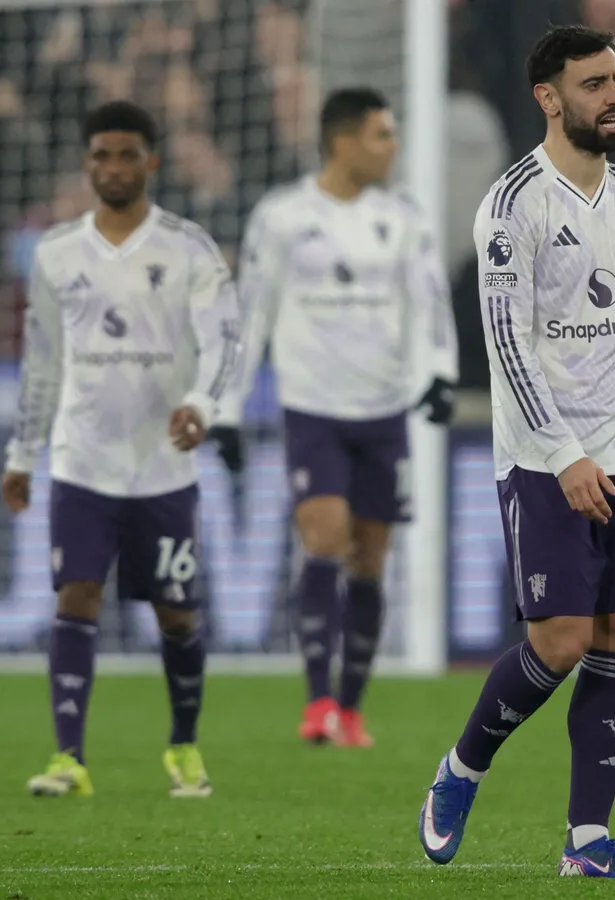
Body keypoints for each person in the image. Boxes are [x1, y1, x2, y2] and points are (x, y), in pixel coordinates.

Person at [416, 25, 615, 880]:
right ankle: (460, 772)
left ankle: (588, 843)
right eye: (594, 83)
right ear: (549, 97)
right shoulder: (511, 206)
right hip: (542, 457)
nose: (614, 97)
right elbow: (507, 344)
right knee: (560, 641)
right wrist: (565, 454)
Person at [1, 101, 241, 798]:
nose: (112, 167)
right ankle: (68, 758)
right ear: (86, 163)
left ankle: (184, 747)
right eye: (101, 155)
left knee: (176, 611)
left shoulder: (188, 248)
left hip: (162, 467)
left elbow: (226, 339)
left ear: (152, 162)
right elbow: (40, 363)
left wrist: (201, 405)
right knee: (75, 595)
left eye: (126, 155)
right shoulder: (54, 254)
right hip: (81, 462)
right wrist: (22, 455)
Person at [221, 88, 458, 748]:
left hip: (383, 410)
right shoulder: (282, 216)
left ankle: (351, 709)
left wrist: (438, 374)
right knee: (324, 536)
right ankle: (317, 701)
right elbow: (251, 312)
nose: (393, 148)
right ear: (343, 142)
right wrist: (227, 408)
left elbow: (430, 303)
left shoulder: (404, 217)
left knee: (371, 558)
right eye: (382, 136)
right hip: (313, 408)